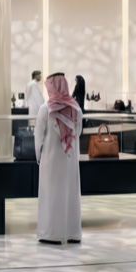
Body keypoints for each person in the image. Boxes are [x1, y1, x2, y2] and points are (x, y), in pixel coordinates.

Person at [36, 72, 82, 245]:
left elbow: (38, 138)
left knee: (51, 194)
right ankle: (72, 233)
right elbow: (77, 133)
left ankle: (51, 234)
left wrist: (39, 157)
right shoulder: (76, 108)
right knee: (70, 194)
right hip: (70, 161)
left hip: (50, 160)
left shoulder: (45, 109)